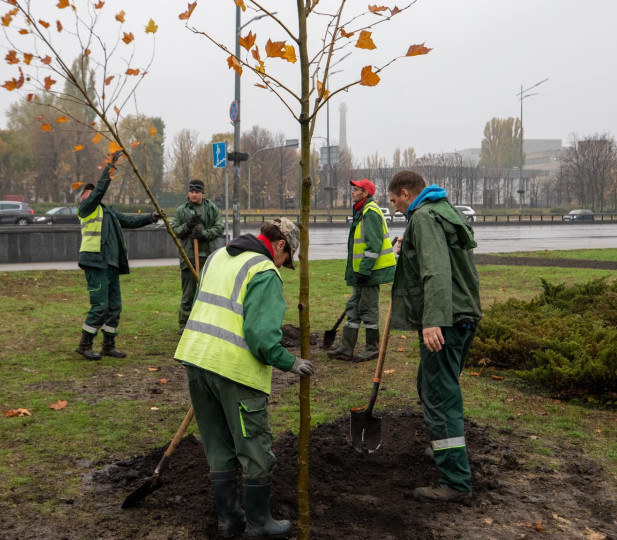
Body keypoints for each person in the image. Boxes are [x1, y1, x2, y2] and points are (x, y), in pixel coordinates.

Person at [174, 218, 315, 539]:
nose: (284, 264)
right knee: (254, 447)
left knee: (218, 444)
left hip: (197, 362)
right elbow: (261, 337)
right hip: (234, 372)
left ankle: (229, 519)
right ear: (280, 245)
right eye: (286, 257)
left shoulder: (218, 256)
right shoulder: (264, 272)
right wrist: (291, 363)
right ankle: (258, 523)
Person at [386, 170, 482, 504]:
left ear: (404, 192)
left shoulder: (424, 217)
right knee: (435, 386)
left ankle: (455, 481)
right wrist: (408, 249)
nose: (394, 207)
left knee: (439, 395)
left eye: (393, 200)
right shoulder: (442, 209)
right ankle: (445, 446)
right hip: (464, 315)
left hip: (447, 319)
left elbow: (437, 270)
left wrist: (433, 322)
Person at [75, 152, 160, 361]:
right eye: (88, 192)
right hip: (96, 262)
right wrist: (110, 166)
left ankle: (108, 345)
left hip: (111, 265)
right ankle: (85, 345)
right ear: (82, 198)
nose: (92, 193)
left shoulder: (109, 212)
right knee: (100, 306)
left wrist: (151, 217)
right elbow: (100, 190)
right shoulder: (86, 209)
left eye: (92, 191)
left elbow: (129, 221)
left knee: (114, 307)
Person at [326, 179, 396, 362]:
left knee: (368, 309)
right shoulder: (361, 211)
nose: (352, 192)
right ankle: (346, 348)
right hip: (361, 272)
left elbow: (374, 245)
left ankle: (372, 349)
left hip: (370, 273)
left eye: (356, 190)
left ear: (365, 193)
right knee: (353, 308)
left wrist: (364, 270)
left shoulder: (370, 212)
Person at [171, 179, 224, 335]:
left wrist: (204, 234)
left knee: (209, 290)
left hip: (208, 257)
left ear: (202, 193)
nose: (194, 195)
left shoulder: (211, 208)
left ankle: (209, 321)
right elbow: (175, 230)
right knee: (188, 292)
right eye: (191, 192)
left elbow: (219, 227)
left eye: (197, 192)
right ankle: (185, 323)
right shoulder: (182, 211)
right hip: (189, 257)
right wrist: (187, 226)